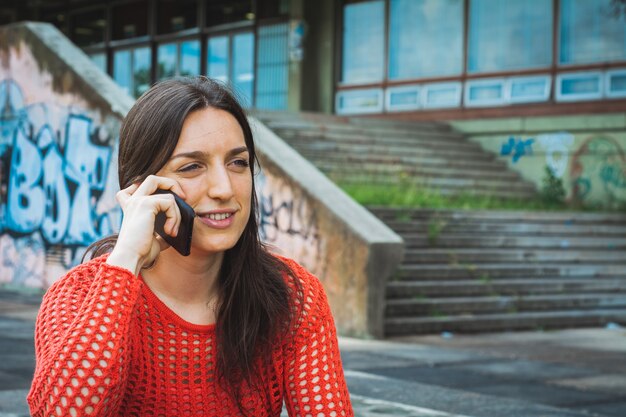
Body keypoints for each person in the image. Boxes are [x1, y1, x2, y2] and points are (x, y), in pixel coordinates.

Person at [27, 76, 354, 417]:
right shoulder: (77, 296)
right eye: (192, 166)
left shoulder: (292, 296)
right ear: (143, 188)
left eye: (237, 162)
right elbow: (59, 411)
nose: (224, 188)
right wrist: (125, 261)